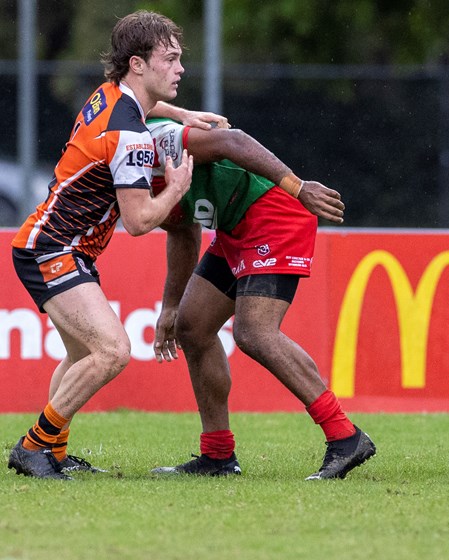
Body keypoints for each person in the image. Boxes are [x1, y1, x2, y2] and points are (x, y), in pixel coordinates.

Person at [6, 11, 226, 480]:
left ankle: (55, 452)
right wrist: (178, 187)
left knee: (83, 355)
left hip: (53, 244)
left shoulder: (112, 97)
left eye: (180, 58)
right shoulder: (130, 135)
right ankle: (34, 447)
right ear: (137, 64)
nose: (180, 68)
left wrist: (183, 113)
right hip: (53, 248)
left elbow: (144, 109)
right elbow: (141, 220)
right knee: (112, 351)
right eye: (170, 58)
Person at [145, 117, 376, 480]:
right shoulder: (122, 168)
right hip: (234, 227)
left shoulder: (152, 142)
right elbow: (183, 228)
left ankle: (345, 436)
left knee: (254, 332)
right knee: (192, 327)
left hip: (274, 214)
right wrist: (171, 304)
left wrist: (298, 188)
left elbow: (233, 140)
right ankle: (218, 456)